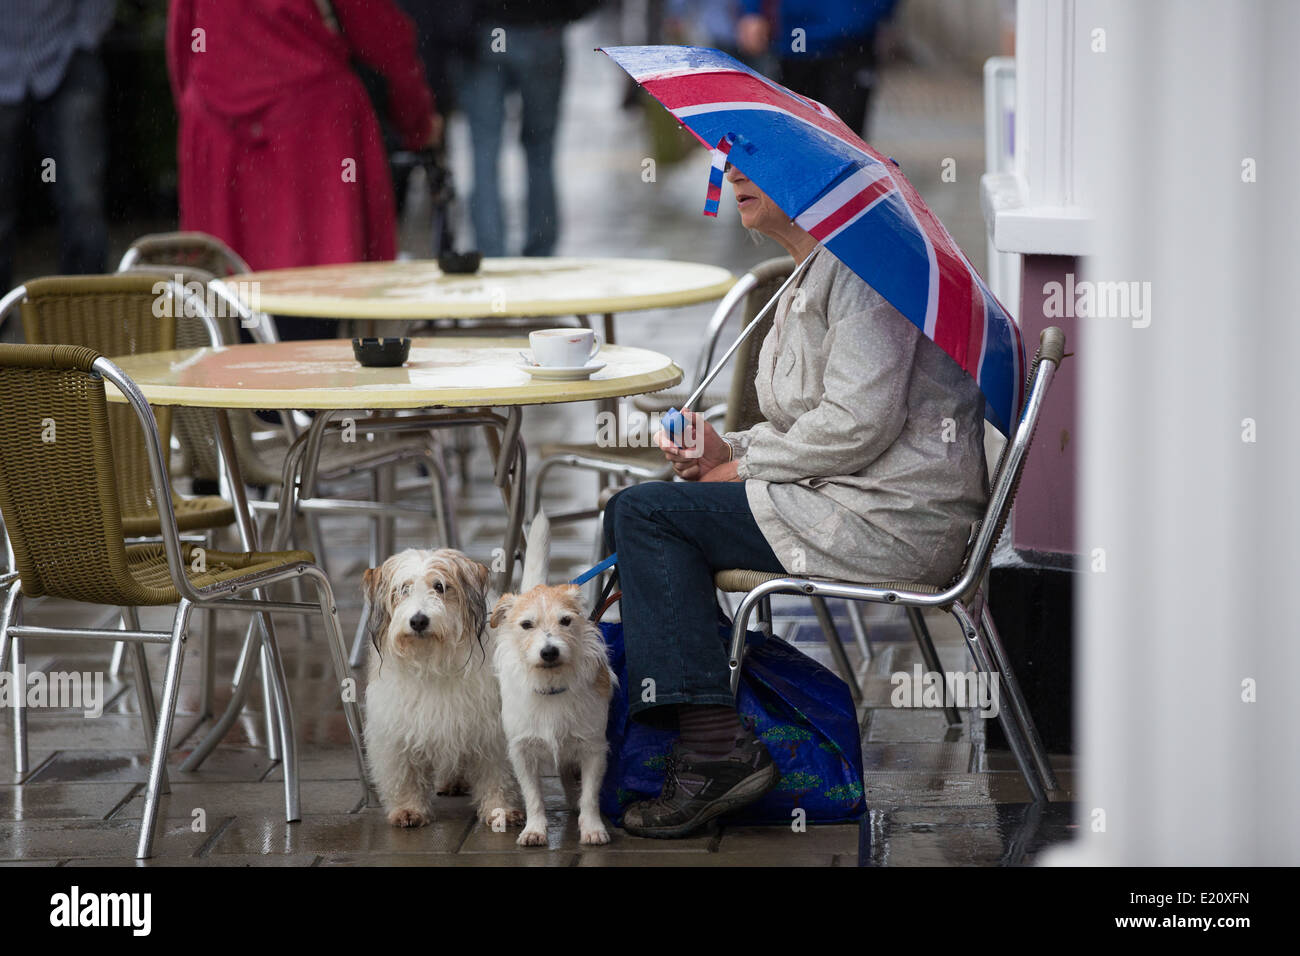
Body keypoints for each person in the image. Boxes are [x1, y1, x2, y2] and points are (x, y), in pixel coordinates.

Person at [603, 161, 990, 838]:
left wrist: (747, 472)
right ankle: (714, 728)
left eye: (757, 166)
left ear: (814, 184)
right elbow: (804, 421)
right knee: (636, 515)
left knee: (645, 517)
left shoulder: (864, 273)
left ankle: (713, 746)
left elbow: (858, 422)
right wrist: (730, 452)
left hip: (889, 516)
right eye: (731, 165)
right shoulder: (811, 272)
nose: (735, 177)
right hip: (840, 496)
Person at [167, 0, 439, 279]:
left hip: (220, 128)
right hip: (312, 128)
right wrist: (417, 122)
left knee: (223, 296)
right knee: (319, 292)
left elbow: (183, 42)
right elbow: (380, 34)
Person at [455, 0, 598, 258]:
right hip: (541, 30)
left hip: (487, 30)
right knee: (540, 150)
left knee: (484, 151)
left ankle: (491, 253)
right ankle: (540, 253)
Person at [0, 0, 114, 295]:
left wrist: (84, 39)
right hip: (4, 65)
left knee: (82, 202)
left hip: (67, 60)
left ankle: (84, 316)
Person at [737, 0, 898, 138]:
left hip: (853, 41)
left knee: (846, 138)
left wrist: (875, 14)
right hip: (796, 37)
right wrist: (752, 11)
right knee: (793, 134)